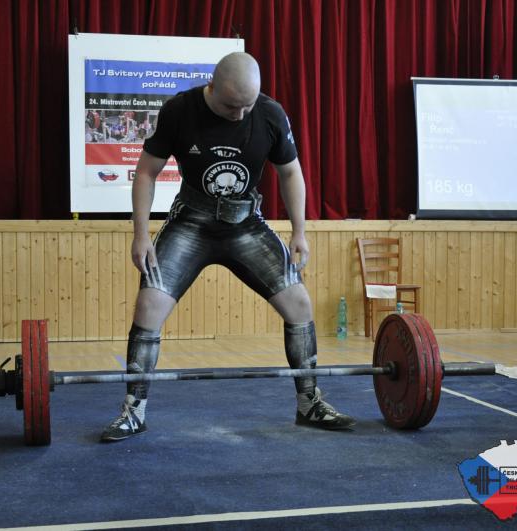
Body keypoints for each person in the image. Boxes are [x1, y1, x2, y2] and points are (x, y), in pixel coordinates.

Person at [101, 52, 355, 441]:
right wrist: (140, 234)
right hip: (191, 223)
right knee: (149, 305)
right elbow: (147, 172)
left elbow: (290, 173)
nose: (239, 115)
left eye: (246, 106)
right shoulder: (179, 111)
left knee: (300, 303)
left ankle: (310, 403)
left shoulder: (270, 114)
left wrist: (300, 232)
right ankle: (134, 410)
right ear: (212, 87)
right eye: (231, 106)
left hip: (245, 224)